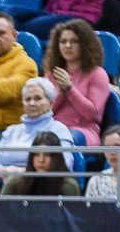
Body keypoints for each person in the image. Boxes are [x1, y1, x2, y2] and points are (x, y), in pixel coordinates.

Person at [43, 19, 109, 152]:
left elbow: (92, 114)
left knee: (62, 139)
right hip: (52, 129)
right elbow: (44, 112)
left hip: (83, 132)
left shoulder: (97, 73)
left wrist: (69, 89)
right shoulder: (51, 74)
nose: (67, 46)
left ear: (85, 44)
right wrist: (61, 94)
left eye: (74, 41)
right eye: (63, 41)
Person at [0, 77, 75, 178]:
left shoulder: (59, 129)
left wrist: (23, 173)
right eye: (28, 99)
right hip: (5, 182)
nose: (32, 103)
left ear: (51, 103)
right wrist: (4, 172)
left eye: (38, 98)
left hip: (44, 184)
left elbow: (65, 165)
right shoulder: (11, 131)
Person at [1, 131, 80, 196]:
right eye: (36, 154)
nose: (41, 160)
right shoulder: (14, 183)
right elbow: (0, 209)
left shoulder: (68, 186)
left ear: (56, 157)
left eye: (47, 155)